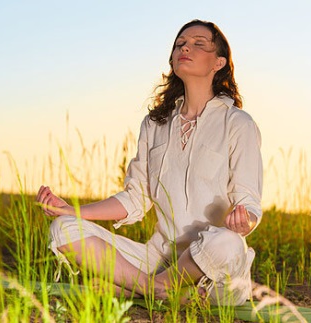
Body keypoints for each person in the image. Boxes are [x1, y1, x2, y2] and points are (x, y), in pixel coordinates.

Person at [36, 19, 263, 306]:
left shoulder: (238, 124)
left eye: (198, 44)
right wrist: (71, 210)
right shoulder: (155, 124)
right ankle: (160, 289)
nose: (185, 48)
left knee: (228, 243)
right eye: (180, 44)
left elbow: (250, 203)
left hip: (213, 267)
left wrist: (244, 222)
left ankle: (138, 287)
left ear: (218, 62)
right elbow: (135, 199)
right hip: (157, 258)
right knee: (64, 228)